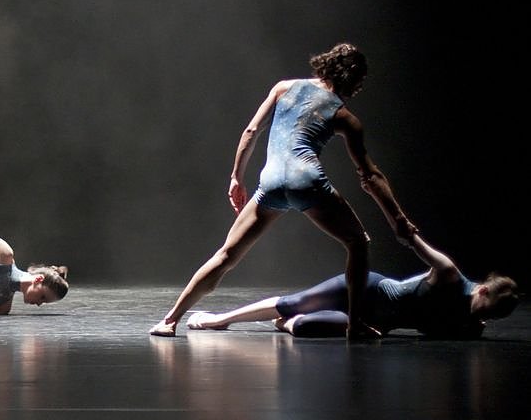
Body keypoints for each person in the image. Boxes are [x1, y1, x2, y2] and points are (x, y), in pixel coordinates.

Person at [150, 42, 416, 339]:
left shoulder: (284, 88)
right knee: (358, 244)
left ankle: (169, 320)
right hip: (307, 181)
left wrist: (236, 176)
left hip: (272, 182)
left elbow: (251, 131)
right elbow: (370, 175)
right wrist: (397, 218)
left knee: (226, 255)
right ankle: (355, 325)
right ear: (353, 79)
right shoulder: (345, 117)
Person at [185, 231, 520, 339]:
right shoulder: (448, 273)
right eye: (487, 309)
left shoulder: (470, 324)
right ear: (482, 290)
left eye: (492, 317)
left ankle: (285, 324)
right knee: (295, 302)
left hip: (373, 323)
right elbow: (410, 238)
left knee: (302, 326)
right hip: (366, 289)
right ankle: (220, 319)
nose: (485, 317)